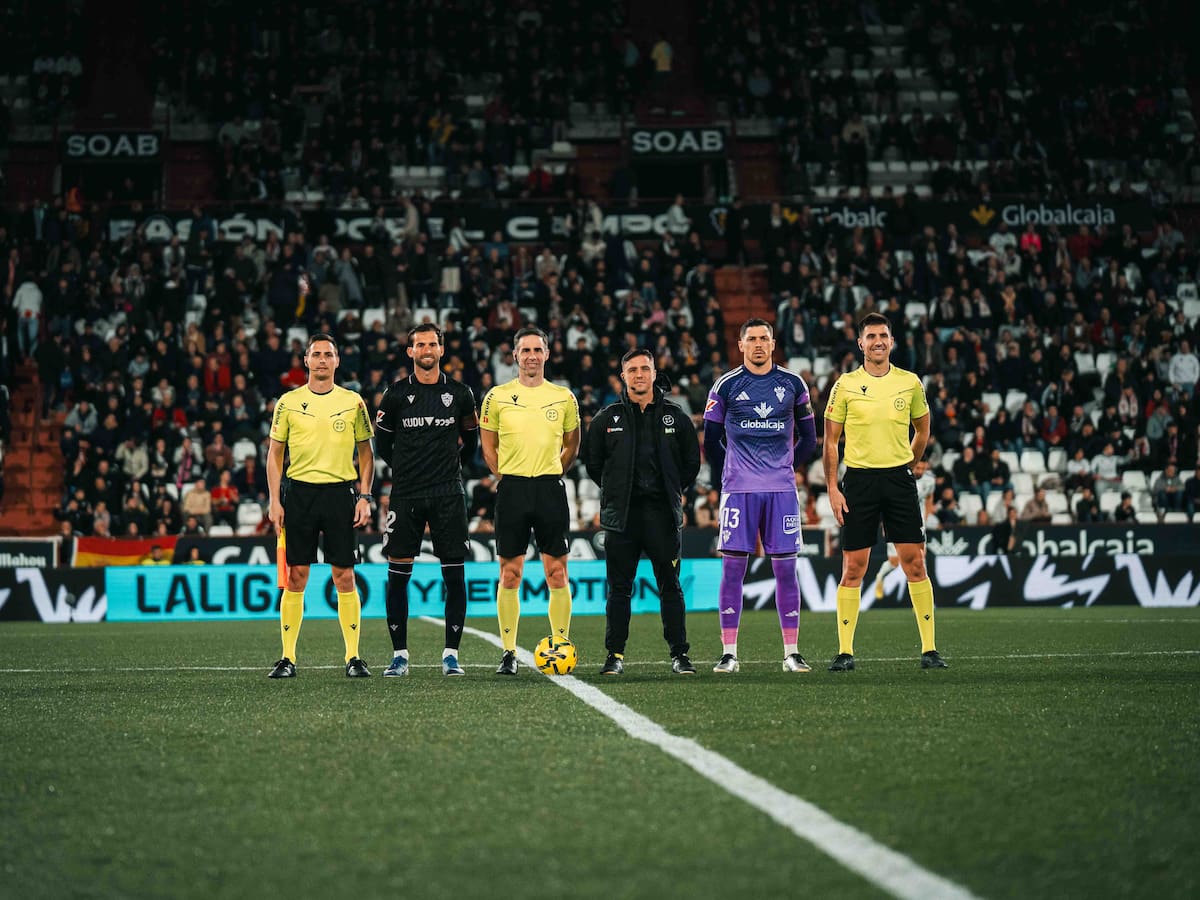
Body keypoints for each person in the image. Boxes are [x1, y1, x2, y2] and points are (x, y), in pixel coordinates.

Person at [823, 312, 947, 671]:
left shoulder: (909, 382)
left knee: (915, 563)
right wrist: (832, 488)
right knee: (854, 567)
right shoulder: (845, 384)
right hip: (859, 481)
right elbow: (830, 441)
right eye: (871, 336)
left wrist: (909, 464)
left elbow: (923, 430)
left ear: (892, 342)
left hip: (898, 481)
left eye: (883, 336)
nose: (877, 341)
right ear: (860, 343)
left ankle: (930, 650)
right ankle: (845, 652)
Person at [702, 318, 818, 673]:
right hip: (739, 490)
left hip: (781, 490)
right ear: (740, 344)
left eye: (763, 338)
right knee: (732, 568)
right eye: (751, 338)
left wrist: (785, 467)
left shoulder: (793, 383)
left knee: (786, 569)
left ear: (773, 343)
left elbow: (810, 438)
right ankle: (729, 653)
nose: (757, 344)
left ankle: (792, 653)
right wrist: (733, 470)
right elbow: (711, 441)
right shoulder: (726, 385)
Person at [583, 348, 701, 675]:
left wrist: (671, 490)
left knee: (670, 586)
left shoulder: (676, 416)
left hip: (662, 516)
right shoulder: (607, 418)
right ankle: (614, 655)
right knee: (619, 589)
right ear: (623, 376)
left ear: (654, 373)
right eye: (632, 370)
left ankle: (679, 654)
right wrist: (616, 491)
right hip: (622, 517)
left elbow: (691, 463)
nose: (639, 375)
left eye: (644, 369)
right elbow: (594, 464)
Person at [266, 333, 375, 679]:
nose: (323, 360)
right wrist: (274, 500)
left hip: (340, 494)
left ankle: (353, 657)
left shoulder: (353, 401)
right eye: (316, 354)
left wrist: (365, 496)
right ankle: (287, 658)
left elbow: (366, 453)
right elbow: (274, 454)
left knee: (345, 575)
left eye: (329, 354)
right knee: (296, 575)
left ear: (337, 361)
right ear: (307, 361)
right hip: (299, 494)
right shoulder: (288, 402)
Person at [373, 324, 478, 677]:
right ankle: (399, 655)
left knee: (454, 576)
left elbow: (471, 442)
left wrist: (451, 469)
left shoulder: (460, 394)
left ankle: (451, 655)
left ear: (441, 349)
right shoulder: (395, 395)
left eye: (432, 343)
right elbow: (383, 445)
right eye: (420, 344)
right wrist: (407, 471)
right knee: (398, 577)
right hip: (406, 494)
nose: (427, 349)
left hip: (448, 493)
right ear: (410, 351)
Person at [479, 326, 581, 675]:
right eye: (526, 350)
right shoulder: (496, 396)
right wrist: (507, 477)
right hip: (512, 490)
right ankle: (509, 652)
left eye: (538, 350)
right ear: (515, 356)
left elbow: (572, 445)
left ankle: (561, 645)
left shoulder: (564, 397)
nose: (532, 356)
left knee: (557, 572)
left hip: (550, 489)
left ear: (547, 354)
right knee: (510, 574)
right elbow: (488, 447)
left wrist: (552, 472)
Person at [871, 458, 935, 600]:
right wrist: (885, 522)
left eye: (923, 469)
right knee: (894, 561)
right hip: (897, 520)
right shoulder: (900, 477)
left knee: (920, 559)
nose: (920, 471)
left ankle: (922, 599)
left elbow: (929, 498)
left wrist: (926, 517)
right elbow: (885, 500)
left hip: (918, 523)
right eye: (918, 468)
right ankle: (880, 576)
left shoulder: (930, 481)